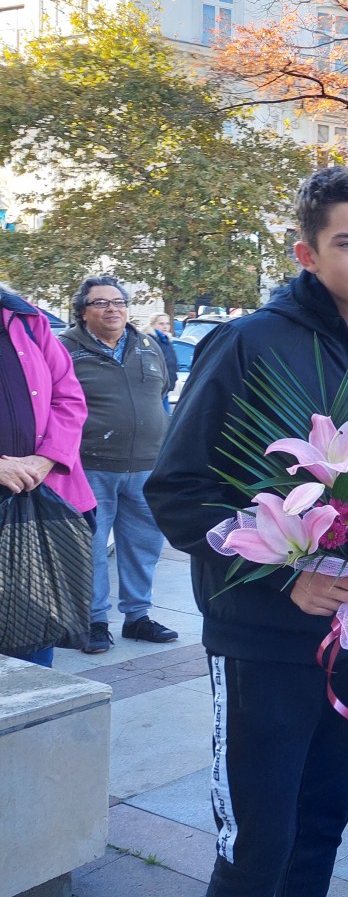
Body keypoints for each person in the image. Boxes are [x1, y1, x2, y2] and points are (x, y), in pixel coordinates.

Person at [145, 167, 348, 897]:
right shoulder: (248, 344)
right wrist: (286, 577)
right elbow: (177, 490)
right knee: (257, 846)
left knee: (322, 826)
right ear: (307, 254)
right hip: (262, 638)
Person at [60, 276, 177, 655]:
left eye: (119, 302)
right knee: (91, 547)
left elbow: (161, 393)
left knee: (144, 545)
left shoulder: (147, 345)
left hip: (147, 467)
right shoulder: (64, 349)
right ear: (82, 312)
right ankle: (94, 622)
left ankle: (137, 616)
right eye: (101, 303)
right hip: (89, 468)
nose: (113, 309)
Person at [0, 283, 96, 666]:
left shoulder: (25, 318)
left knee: (33, 641)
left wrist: (46, 458)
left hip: (35, 503)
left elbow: (68, 396)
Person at [149, 313, 178, 411]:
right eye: (161, 324)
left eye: (167, 323)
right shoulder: (151, 341)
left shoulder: (167, 341)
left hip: (165, 389)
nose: (165, 327)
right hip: (155, 390)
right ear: (152, 325)